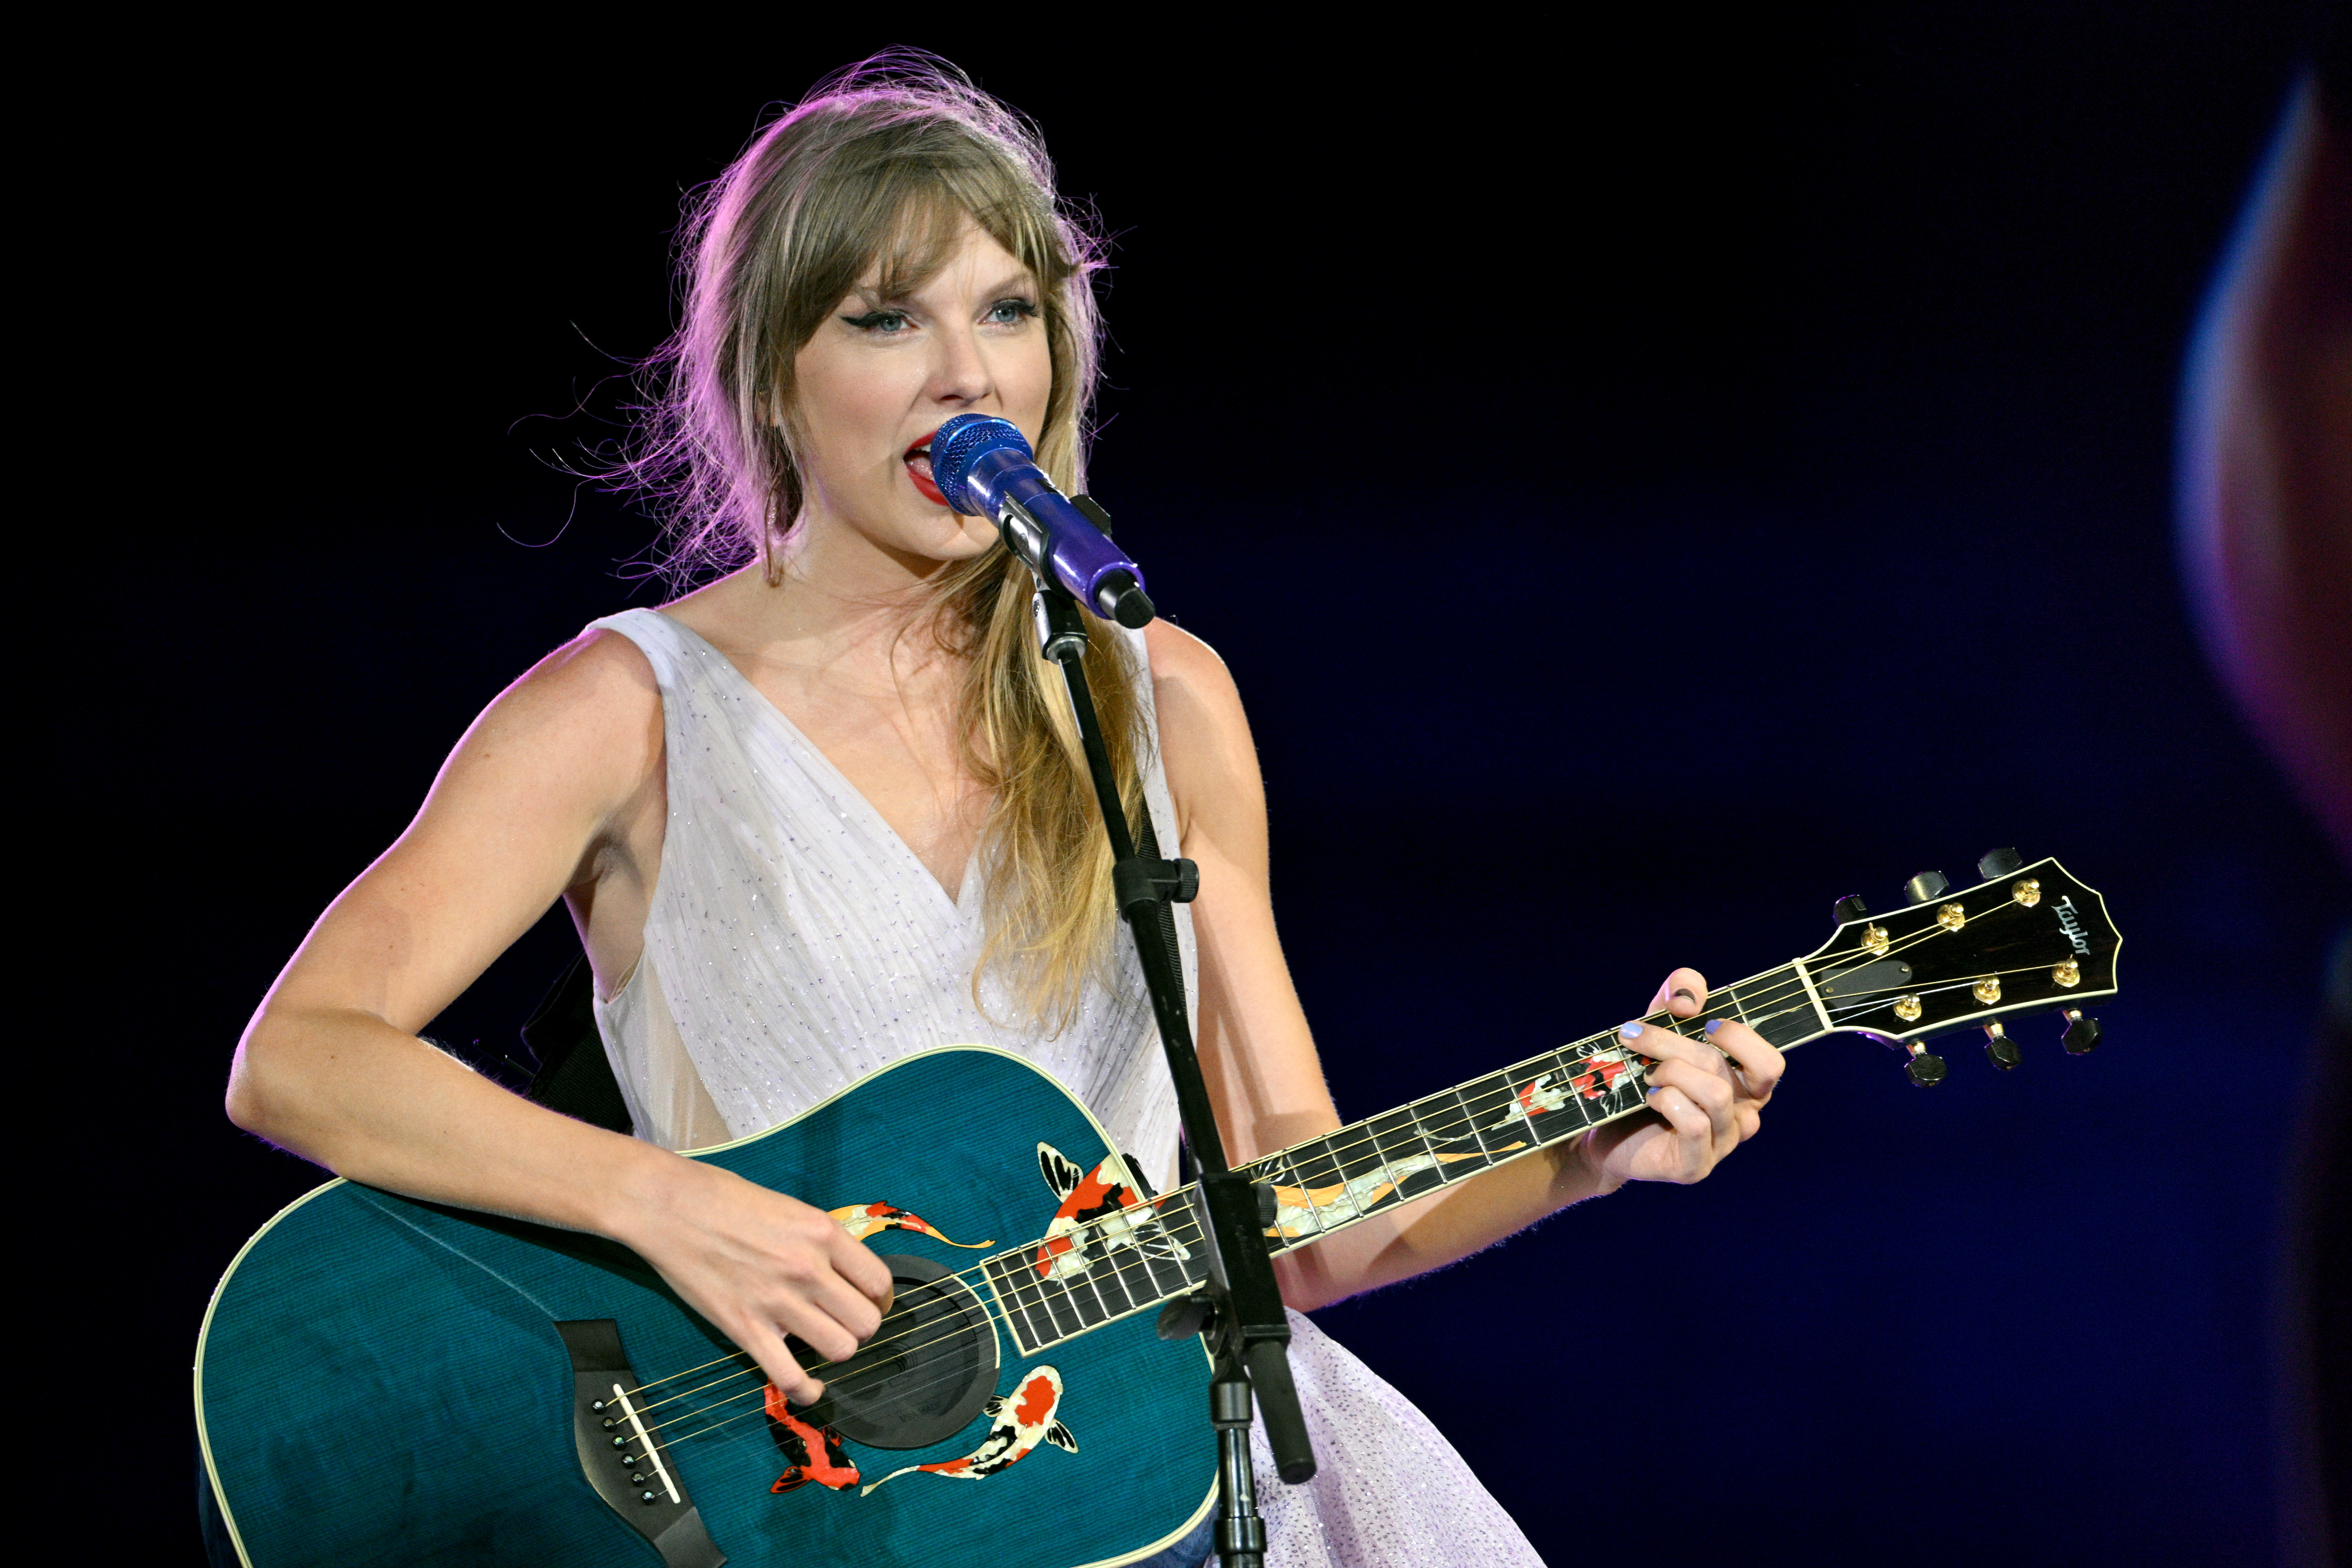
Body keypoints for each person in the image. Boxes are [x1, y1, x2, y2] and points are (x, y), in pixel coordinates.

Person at [224, 54, 1783, 1566]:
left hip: (1168, 1490)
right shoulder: (628, 710)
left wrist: (1589, 1147)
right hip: (815, 1504)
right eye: (885, 317)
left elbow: (1297, 1217)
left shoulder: (1158, 696)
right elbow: (302, 1054)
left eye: (1006, 311)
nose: (964, 371)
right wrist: (668, 1208)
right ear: (778, 375)